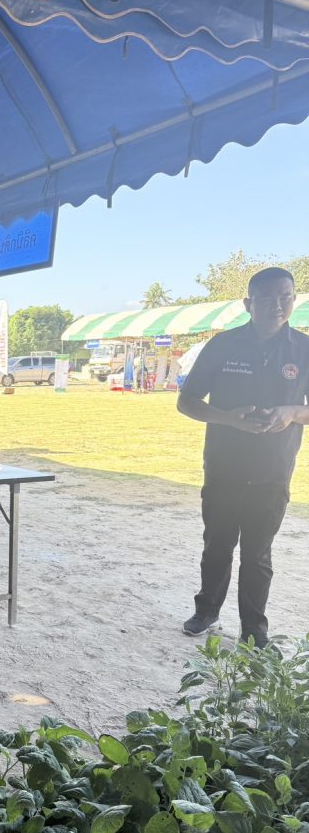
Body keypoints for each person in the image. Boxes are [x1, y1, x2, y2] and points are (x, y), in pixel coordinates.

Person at [177, 267, 309, 648]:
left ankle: (254, 630)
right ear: (248, 303)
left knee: (258, 555)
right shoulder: (223, 345)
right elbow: (186, 402)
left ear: (294, 300)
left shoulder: (303, 349)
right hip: (223, 467)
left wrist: (292, 412)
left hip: (274, 471)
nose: (277, 305)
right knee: (217, 546)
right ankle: (206, 611)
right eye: (266, 298)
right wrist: (227, 419)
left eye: (285, 297)